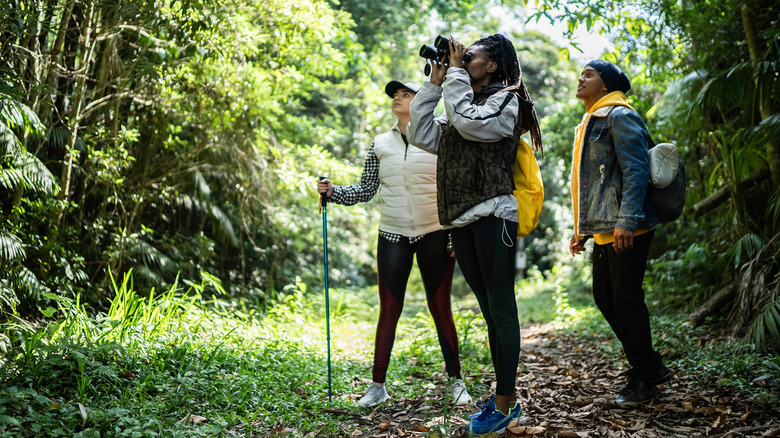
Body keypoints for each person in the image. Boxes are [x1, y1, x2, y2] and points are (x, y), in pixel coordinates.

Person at [407, 34, 543, 434]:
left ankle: (503, 406)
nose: (461, 63)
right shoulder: (462, 100)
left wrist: (453, 79)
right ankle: (506, 402)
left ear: (493, 67)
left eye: (470, 57)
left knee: (501, 308)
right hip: (462, 220)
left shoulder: (507, 101)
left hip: (494, 214)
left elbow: (469, 122)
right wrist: (435, 82)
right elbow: (420, 131)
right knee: (489, 311)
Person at [317, 80, 472, 408]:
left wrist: (458, 231)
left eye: (406, 94)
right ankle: (377, 386)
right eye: (395, 96)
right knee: (389, 309)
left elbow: (457, 185)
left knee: (439, 307)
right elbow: (366, 189)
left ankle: (456, 382)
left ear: (422, 101)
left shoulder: (440, 136)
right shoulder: (380, 143)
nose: (397, 99)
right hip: (392, 234)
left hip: (436, 232)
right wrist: (334, 192)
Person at [568, 60, 672, 405]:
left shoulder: (619, 116)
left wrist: (627, 219)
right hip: (604, 230)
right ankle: (648, 366)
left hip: (628, 228)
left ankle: (645, 376)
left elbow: (636, 169)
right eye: (582, 73)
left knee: (625, 300)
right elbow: (592, 183)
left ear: (607, 85)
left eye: (590, 74)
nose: (582, 79)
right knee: (606, 298)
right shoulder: (592, 119)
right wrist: (582, 229)